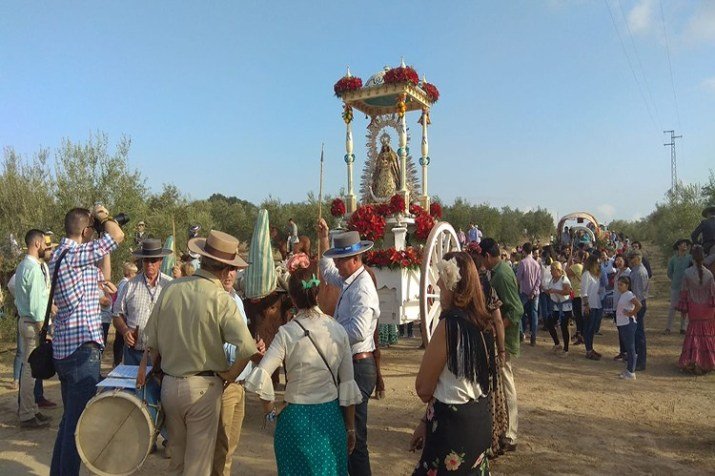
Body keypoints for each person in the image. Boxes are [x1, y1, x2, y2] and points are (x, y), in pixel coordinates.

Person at [142, 229, 258, 476]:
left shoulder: (172, 288)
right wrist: (228, 375)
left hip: (170, 384)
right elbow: (248, 348)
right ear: (227, 270)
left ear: (203, 259)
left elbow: (151, 342)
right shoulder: (220, 298)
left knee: (177, 464)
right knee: (198, 469)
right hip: (203, 388)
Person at [245, 258, 362, 475]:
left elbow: (262, 375)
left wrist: (270, 415)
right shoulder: (337, 330)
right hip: (329, 420)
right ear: (317, 293)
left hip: (294, 422)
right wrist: (350, 428)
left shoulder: (286, 333)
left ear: (291, 298)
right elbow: (347, 383)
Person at [50, 205, 125, 475]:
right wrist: (104, 217)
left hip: (65, 350)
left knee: (68, 422)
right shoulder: (74, 254)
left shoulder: (60, 254)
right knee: (78, 426)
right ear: (85, 230)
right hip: (82, 351)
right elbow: (117, 236)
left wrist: (95, 238)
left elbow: (103, 279)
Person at [410, 252, 498, 474]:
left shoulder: (449, 326)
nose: (438, 282)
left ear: (452, 283)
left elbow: (423, 388)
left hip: (453, 426)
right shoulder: (483, 323)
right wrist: (425, 421)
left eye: (441, 278)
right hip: (478, 420)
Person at [318, 222, 380, 475]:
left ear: (355, 259)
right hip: (352, 365)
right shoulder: (349, 280)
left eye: (341, 260)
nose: (338, 265)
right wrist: (323, 238)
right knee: (349, 433)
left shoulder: (363, 288)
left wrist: (328, 332)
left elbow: (359, 331)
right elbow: (326, 271)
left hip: (358, 365)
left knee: (355, 437)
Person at [212, 257, 265, 476]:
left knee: (230, 445)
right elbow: (215, 344)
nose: (229, 274)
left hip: (239, 382)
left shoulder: (237, 300)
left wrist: (253, 345)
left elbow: (241, 338)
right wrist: (247, 349)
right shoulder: (213, 300)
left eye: (233, 269)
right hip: (224, 380)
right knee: (220, 445)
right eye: (224, 269)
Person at [477, 237, 523, 452]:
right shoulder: (499, 271)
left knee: (506, 384)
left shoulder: (502, 276)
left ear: (486, 256)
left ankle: (511, 434)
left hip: (504, 339)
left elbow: (516, 310)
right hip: (501, 337)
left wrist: (497, 329)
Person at [14, 229, 54, 428]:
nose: (47, 248)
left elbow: (14, 288)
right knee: (30, 372)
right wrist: (44, 331)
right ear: (37, 244)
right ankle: (27, 414)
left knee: (29, 370)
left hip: (25, 321)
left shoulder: (23, 266)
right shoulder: (34, 269)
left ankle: (32, 409)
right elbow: (38, 306)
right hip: (33, 325)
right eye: (46, 245)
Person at [113, 239, 173, 366]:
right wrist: (125, 331)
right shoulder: (130, 285)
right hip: (133, 353)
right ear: (142, 261)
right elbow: (117, 313)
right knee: (132, 385)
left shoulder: (170, 285)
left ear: (160, 261)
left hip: (161, 355)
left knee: (158, 386)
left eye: (153, 260)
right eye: (146, 260)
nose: (149, 264)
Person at [677, 245, 715, 374]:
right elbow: (713, 293)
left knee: (694, 334)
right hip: (707, 310)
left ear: (692, 257)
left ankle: (693, 360)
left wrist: (683, 310)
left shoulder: (687, 273)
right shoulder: (709, 274)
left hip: (694, 307)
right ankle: (707, 362)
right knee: (706, 335)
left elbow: (683, 292)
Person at [614, 276, 642, 380]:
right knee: (628, 346)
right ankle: (629, 369)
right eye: (618, 284)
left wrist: (632, 313)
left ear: (627, 285)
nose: (619, 286)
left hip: (628, 324)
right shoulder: (623, 295)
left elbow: (638, 305)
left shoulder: (629, 294)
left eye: (621, 285)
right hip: (623, 324)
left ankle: (631, 371)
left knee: (630, 347)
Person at [112, 261, 138, 367]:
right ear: (129, 273)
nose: (135, 275)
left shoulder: (124, 282)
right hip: (123, 317)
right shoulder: (125, 284)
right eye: (133, 273)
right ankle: (118, 362)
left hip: (123, 317)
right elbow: (121, 303)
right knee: (121, 340)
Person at [544, 261, 572, 357]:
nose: (551, 271)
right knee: (549, 323)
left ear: (557, 270)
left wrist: (555, 291)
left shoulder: (564, 279)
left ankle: (566, 349)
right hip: (555, 306)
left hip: (564, 307)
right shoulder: (552, 280)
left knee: (564, 327)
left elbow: (567, 291)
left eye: (552, 269)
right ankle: (557, 343)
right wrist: (547, 291)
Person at [628, 249, 650, 372]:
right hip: (638, 304)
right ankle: (637, 359)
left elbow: (637, 294)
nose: (630, 261)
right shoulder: (636, 271)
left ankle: (641, 361)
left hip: (638, 305)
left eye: (631, 258)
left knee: (639, 334)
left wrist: (635, 309)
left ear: (637, 258)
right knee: (637, 333)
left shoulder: (639, 272)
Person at [516, 242, 541, 346]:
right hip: (535, 293)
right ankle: (533, 337)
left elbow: (518, 278)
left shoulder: (522, 263)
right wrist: (534, 291)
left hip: (524, 292)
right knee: (534, 314)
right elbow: (539, 280)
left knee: (519, 312)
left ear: (524, 251)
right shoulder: (536, 263)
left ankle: (522, 333)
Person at [666, 239, 693, 335]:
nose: (685, 246)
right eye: (683, 244)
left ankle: (683, 328)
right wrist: (674, 279)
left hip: (687, 287)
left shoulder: (690, 258)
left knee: (685, 308)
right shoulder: (673, 259)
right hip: (675, 286)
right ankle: (669, 328)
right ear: (678, 246)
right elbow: (669, 272)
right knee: (673, 307)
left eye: (686, 245)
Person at [580, 254, 603, 360]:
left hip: (596, 304)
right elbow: (584, 292)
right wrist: (586, 305)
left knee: (593, 329)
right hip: (589, 305)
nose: (599, 264)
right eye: (597, 262)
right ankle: (588, 350)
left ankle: (591, 348)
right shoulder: (586, 274)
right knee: (588, 329)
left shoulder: (596, 275)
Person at [612, 254, 631, 361]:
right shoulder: (618, 272)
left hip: (624, 305)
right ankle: (623, 352)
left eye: (620, 260)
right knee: (620, 330)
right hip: (616, 305)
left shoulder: (628, 273)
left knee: (624, 330)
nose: (617, 262)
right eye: (616, 260)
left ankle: (627, 353)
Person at [566, 250, 584, 346]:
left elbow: (566, 271)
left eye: (576, 256)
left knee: (578, 317)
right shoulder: (581, 266)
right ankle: (579, 334)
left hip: (577, 294)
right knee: (578, 317)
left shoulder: (577, 266)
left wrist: (569, 259)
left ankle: (581, 335)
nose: (574, 257)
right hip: (577, 293)